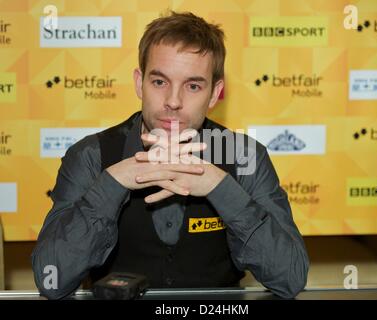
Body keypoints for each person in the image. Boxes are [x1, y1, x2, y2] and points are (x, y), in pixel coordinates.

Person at [32, 11, 309, 300]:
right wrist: (113, 182)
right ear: (140, 84)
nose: (174, 102)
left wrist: (221, 187)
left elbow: (290, 278)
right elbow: (52, 279)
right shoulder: (90, 156)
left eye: (193, 86)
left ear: (214, 94)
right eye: (160, 82)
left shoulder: (245, 157)